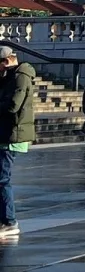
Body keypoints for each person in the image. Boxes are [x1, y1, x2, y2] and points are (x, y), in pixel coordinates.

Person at [0, 45, 35, 239]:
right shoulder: (10, 76)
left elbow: (13, 105)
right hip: (5, 133)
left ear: (6, 61)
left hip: (12, 133)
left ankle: (10, 221)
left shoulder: (21, 77)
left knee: (3, 179)